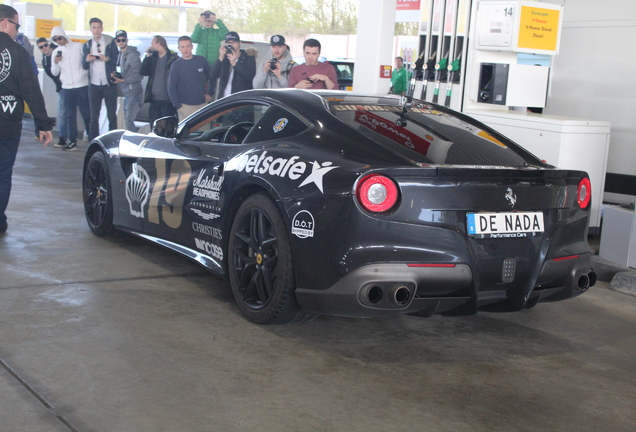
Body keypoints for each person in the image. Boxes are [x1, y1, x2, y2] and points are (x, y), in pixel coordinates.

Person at [0, 5, 53, 234]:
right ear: (4, 23)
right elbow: (31, 90)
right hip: (7, 123)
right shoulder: (19, 53)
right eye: (16, 26)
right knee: (2, 175)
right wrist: (43, 124)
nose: (17, 31)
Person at [50, 26, 91, 152]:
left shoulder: (78, 47)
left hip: (81, 85)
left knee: (87, 114)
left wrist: (84, 72)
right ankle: (72, 142)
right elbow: (54, 72)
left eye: (59, 38)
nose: (58, 41)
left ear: (64, 36)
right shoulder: (56, 52)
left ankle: (92, 139)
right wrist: (56, 62)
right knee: (70, 116)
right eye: (55, 39)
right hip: (67, 87)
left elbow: (85, 62)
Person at [82, 17, 118, 140]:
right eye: (94, 27)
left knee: (112, 115)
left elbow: (116, 61)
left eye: (98, 27)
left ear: (102, 28)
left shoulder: (110, 42)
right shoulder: (87, 44)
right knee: (94, 116)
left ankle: (112, 140)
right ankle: (93, 140)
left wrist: (106, 59)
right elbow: (83, 65)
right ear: (90, 29)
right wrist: (87, 60)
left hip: (108, 83)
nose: (96, 30)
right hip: (94, 83)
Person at [168, 36, 212, 121]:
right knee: (186, 133)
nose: (185, 49)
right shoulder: (176, 65)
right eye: (183, 47)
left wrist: (210, 93)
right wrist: (178, 106)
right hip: (185, 107)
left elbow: (211, 78)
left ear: (192, 46)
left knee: (205, 133)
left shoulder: (201, 60)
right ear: (179, 48)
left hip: (202, 105)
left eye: (188, 46)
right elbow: (171, 87)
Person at [140, 35, 178, 125]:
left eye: (152, 43)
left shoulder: (172, 58)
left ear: (158, 44)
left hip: (167, 99)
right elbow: (143, 71)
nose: (151, 45)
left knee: (168, 126)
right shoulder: (153, 57)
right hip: (154, 99)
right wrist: (148, 56)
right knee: (154, 125)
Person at [109, 30, 143, 132]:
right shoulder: (121, 54)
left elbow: (138, 75)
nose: (121, 42)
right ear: (115, 41)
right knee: (127, 120)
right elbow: (124, 71)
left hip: (134, 92)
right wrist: (116, 76)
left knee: (128, 121)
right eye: (118, 40)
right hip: (127, 91)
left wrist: (122, 80)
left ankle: (134, 144)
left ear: (127, 40)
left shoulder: (132, 55)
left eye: (123, 40)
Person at [37, 37, 68, 148]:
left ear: (49, 44)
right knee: (63, 113)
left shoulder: (59, 52)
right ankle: (63, 138)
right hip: (61, 87)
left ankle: (63, 138)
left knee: (65, 113)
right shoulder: (44, 60)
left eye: (45, 45)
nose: (44, 48)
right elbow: (52, 75)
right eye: (41, 47)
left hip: (69, 85)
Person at [209, 31, 256, 100]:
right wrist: (221, 57)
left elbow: (250, 77)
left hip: (240, 101)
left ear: (239, 43)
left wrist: (235, 63)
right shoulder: (225, 59)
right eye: (228, 43)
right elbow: (212, 76)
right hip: (224, 100)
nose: (230, 45)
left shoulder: (248, 58)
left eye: (233, 43)